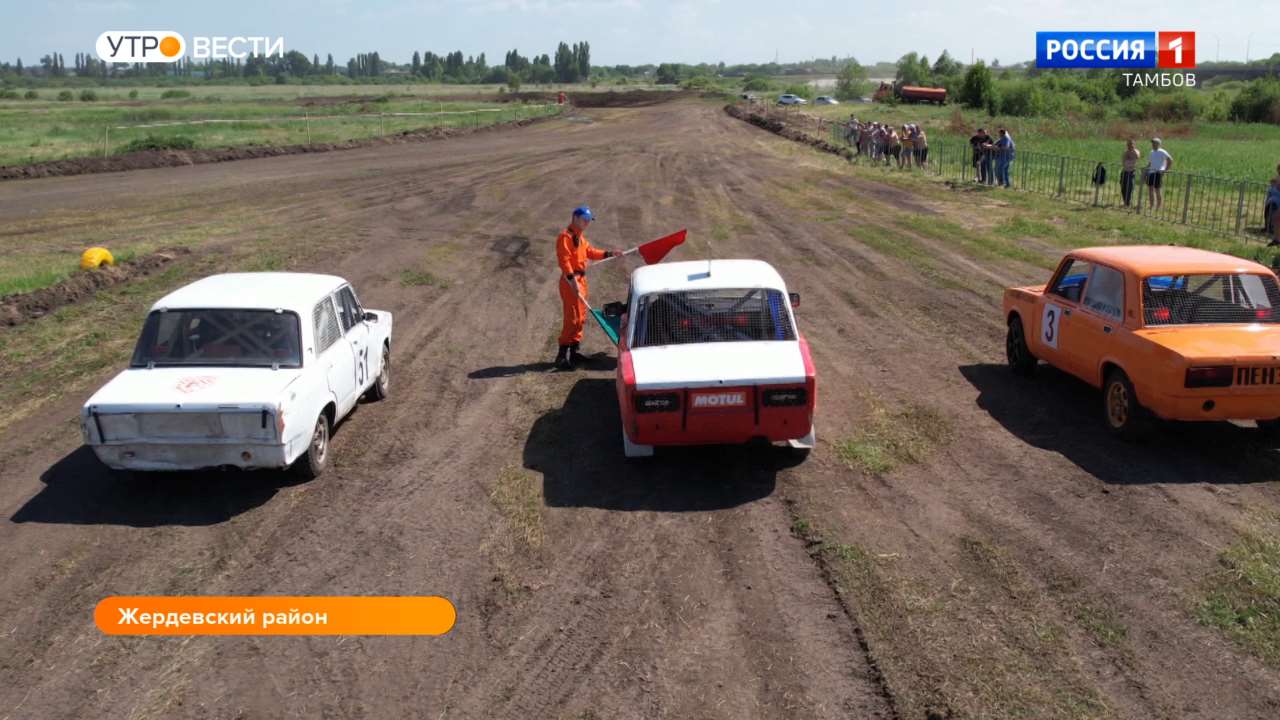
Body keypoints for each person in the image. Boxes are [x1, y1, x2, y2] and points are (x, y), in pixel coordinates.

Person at [554, 206, 618, 370]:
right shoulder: (565, 237)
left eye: (589, 221)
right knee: (572, 319)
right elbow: (564, 261)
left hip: (581, 281)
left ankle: (574, 352)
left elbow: (591, 252)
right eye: (585, 220)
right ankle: (561, 356)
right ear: (575, 218)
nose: (587, 223)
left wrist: (610, 253)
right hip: (571, 282)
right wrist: (572, 280)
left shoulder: (580, 238)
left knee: (581, 317)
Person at [1146, 137, 1173, 211]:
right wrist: (1146, 169)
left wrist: (1165, 170)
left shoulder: (1162, 151)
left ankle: (1158, 206)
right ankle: (1151, 205)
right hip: (1151, 172)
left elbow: (1170, 160)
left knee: (1157, 190)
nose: (1153, 144)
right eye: (1152, 143)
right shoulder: (1151, 152)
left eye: (1154, 143)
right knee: (1150, 190)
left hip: (1158, 172)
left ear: (1158, 144)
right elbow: (1150, 163)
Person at [1120, 139, 1141, 207]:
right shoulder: (1125, 152)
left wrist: (1133, 149)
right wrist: (1127, 152)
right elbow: (1123, 160)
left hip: (1131, 172)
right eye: (1128, 144)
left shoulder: (1136, 151)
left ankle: (1128, 203)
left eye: (1131, 144)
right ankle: (1125, 202)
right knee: (1123, 187)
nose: (1130, 146)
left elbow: (1137, 156)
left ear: (1134, 145)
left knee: (1129, 187)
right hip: (1124, 171)